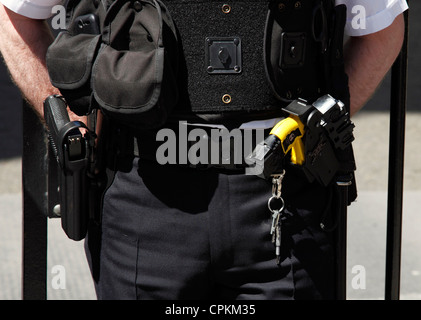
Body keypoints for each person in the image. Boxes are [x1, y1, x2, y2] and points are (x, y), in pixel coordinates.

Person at [0, 0, 408, 300]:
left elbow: (381, 27)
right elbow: (16, 20)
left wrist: (320, 130)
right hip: (142, 197)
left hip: (283, 207)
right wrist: (73, 124)